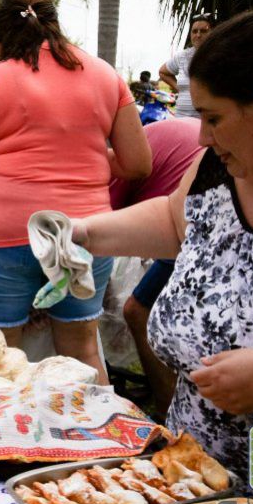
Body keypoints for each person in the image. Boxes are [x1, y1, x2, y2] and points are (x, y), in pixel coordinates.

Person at [74, 3, 253, 504]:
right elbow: (180, 222)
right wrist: (84, 231)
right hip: (193, 463)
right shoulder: (221, 163)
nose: (201, 136)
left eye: (213, 117)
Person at [0, 0, 151, 385]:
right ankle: (98, 443)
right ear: (55, 21)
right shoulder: (105, 75)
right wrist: (84, 155)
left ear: (3, 30)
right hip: (84, 233)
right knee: (83, 352)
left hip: (3, 232)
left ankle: (6, 447)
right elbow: (138, 163)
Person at [108, 117, 203, 418]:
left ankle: (165, 408)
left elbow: (108, 218)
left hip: (191, 232)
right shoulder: (203, 154)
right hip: (188, 228)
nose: (208, 134)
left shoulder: (114, 166)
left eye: (214, 118)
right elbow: (169, 211)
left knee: (137, 310)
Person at [158, 13, 214, 118]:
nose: (198, 35)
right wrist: (178, 88)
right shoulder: (182, 56)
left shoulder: (221, 56)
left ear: (212, 33)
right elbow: (163, 72)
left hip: (206, 123)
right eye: (194, 31)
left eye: (203, 31)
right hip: (181, 119)